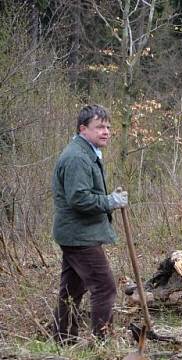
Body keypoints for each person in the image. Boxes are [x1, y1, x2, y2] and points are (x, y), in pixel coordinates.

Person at [51, 104, 128, 344]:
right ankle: (102, 343)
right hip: (80, 236)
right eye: (99, 127)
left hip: (76, 234)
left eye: (108, 127)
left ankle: (63, 340)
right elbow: (79, 199)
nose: (106, 132)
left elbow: (82, 193)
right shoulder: (77, 157)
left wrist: (108, 198)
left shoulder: (86, 153)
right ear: (83, 129)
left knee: (71, 292)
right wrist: (110, 201)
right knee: (105, 288)